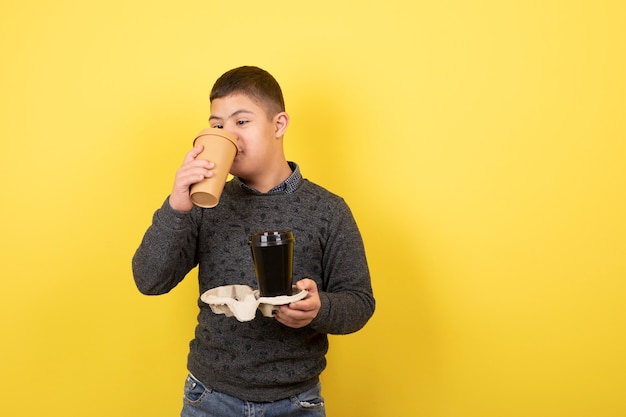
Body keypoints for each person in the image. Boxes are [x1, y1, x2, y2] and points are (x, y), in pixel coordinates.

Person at [132, 66, 375, 417]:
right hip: (209, 398)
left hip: (297, 402)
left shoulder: (328, 210)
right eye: (218, 126)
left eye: (241, 122)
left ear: (278, 125)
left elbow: (360, 302)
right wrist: (176, 206)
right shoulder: (203, 206)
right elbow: (149, 280)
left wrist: (320, 309)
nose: (228, 136)